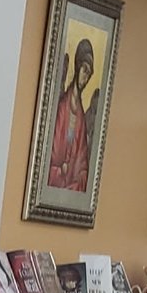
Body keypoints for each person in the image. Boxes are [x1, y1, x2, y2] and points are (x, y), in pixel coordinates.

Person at [48, 36, 95, 193]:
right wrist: (61, 170)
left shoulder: (81, 118)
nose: (86, 77)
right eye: (85, 70)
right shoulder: (62, 107)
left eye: (89, 74)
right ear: (77, 66)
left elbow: (83, 165)